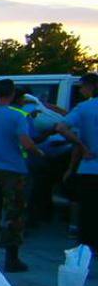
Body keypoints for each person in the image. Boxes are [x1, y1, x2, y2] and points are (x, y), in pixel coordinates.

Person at [0, 79, 45, 272]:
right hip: (14, 171)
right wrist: (39, 154)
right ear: (12, 94)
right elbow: (26, 142)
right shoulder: (18, 116)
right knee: (14, 213)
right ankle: (11, 258)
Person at [57, 73, 98, 254]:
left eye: (82, 87)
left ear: (91, 87)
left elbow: (61, 127)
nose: (81, 90)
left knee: (88, 211)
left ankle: (87, 249)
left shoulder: (84, 108)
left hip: (90, 167)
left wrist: (82, 145)